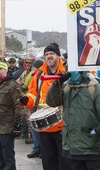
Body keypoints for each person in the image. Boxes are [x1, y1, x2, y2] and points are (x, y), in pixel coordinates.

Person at [46, 71, 100, 170]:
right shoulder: (66, 87)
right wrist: (57, 84)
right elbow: (52, 102)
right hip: (71, 148)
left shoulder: (96, 88)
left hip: (92, 147)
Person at [19, 42, 70, 170]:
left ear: (58, 56)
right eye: (46, 54)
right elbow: (33, 94)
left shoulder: (68, 72)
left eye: (51, 53)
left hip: (64, 126)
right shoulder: (39, 75)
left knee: (65, 162)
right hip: (44, 127)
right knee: (48, 163)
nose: (49, 56)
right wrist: (27, 100)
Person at [26, 59, 44, 159]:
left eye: (34, 66)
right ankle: (36, 149)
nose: (32, 68)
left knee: (40, 130)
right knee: (34, 129)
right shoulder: (33, 76)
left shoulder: (42, 77)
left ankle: (40, 150)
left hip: (41, 108)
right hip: (33, 106)